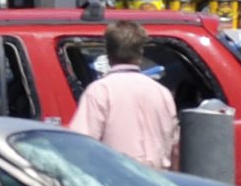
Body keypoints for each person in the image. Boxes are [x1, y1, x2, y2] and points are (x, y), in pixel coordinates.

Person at [74, 20, 187, 172]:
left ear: (108, 52)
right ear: (140, 52)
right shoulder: (162, 93)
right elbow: (175, 150)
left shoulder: (99, 91)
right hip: (158, 181)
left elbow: (81, 145)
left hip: (117, 182)